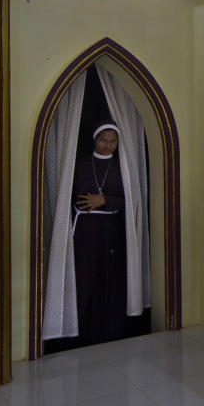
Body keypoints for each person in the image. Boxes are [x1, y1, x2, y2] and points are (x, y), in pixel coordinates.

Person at [71, 122, 127, 344]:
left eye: (112, 141)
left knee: (110, 278)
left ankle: (110, 331)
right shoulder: (81, 165)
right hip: (86, 230)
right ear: (95, 140)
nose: (108, 146)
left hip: (112, 230)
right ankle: (82, 333)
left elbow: (130, 200)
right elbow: (72, 196)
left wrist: (103, 200)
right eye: (103, 140)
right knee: (86, 278)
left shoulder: (121, 166)